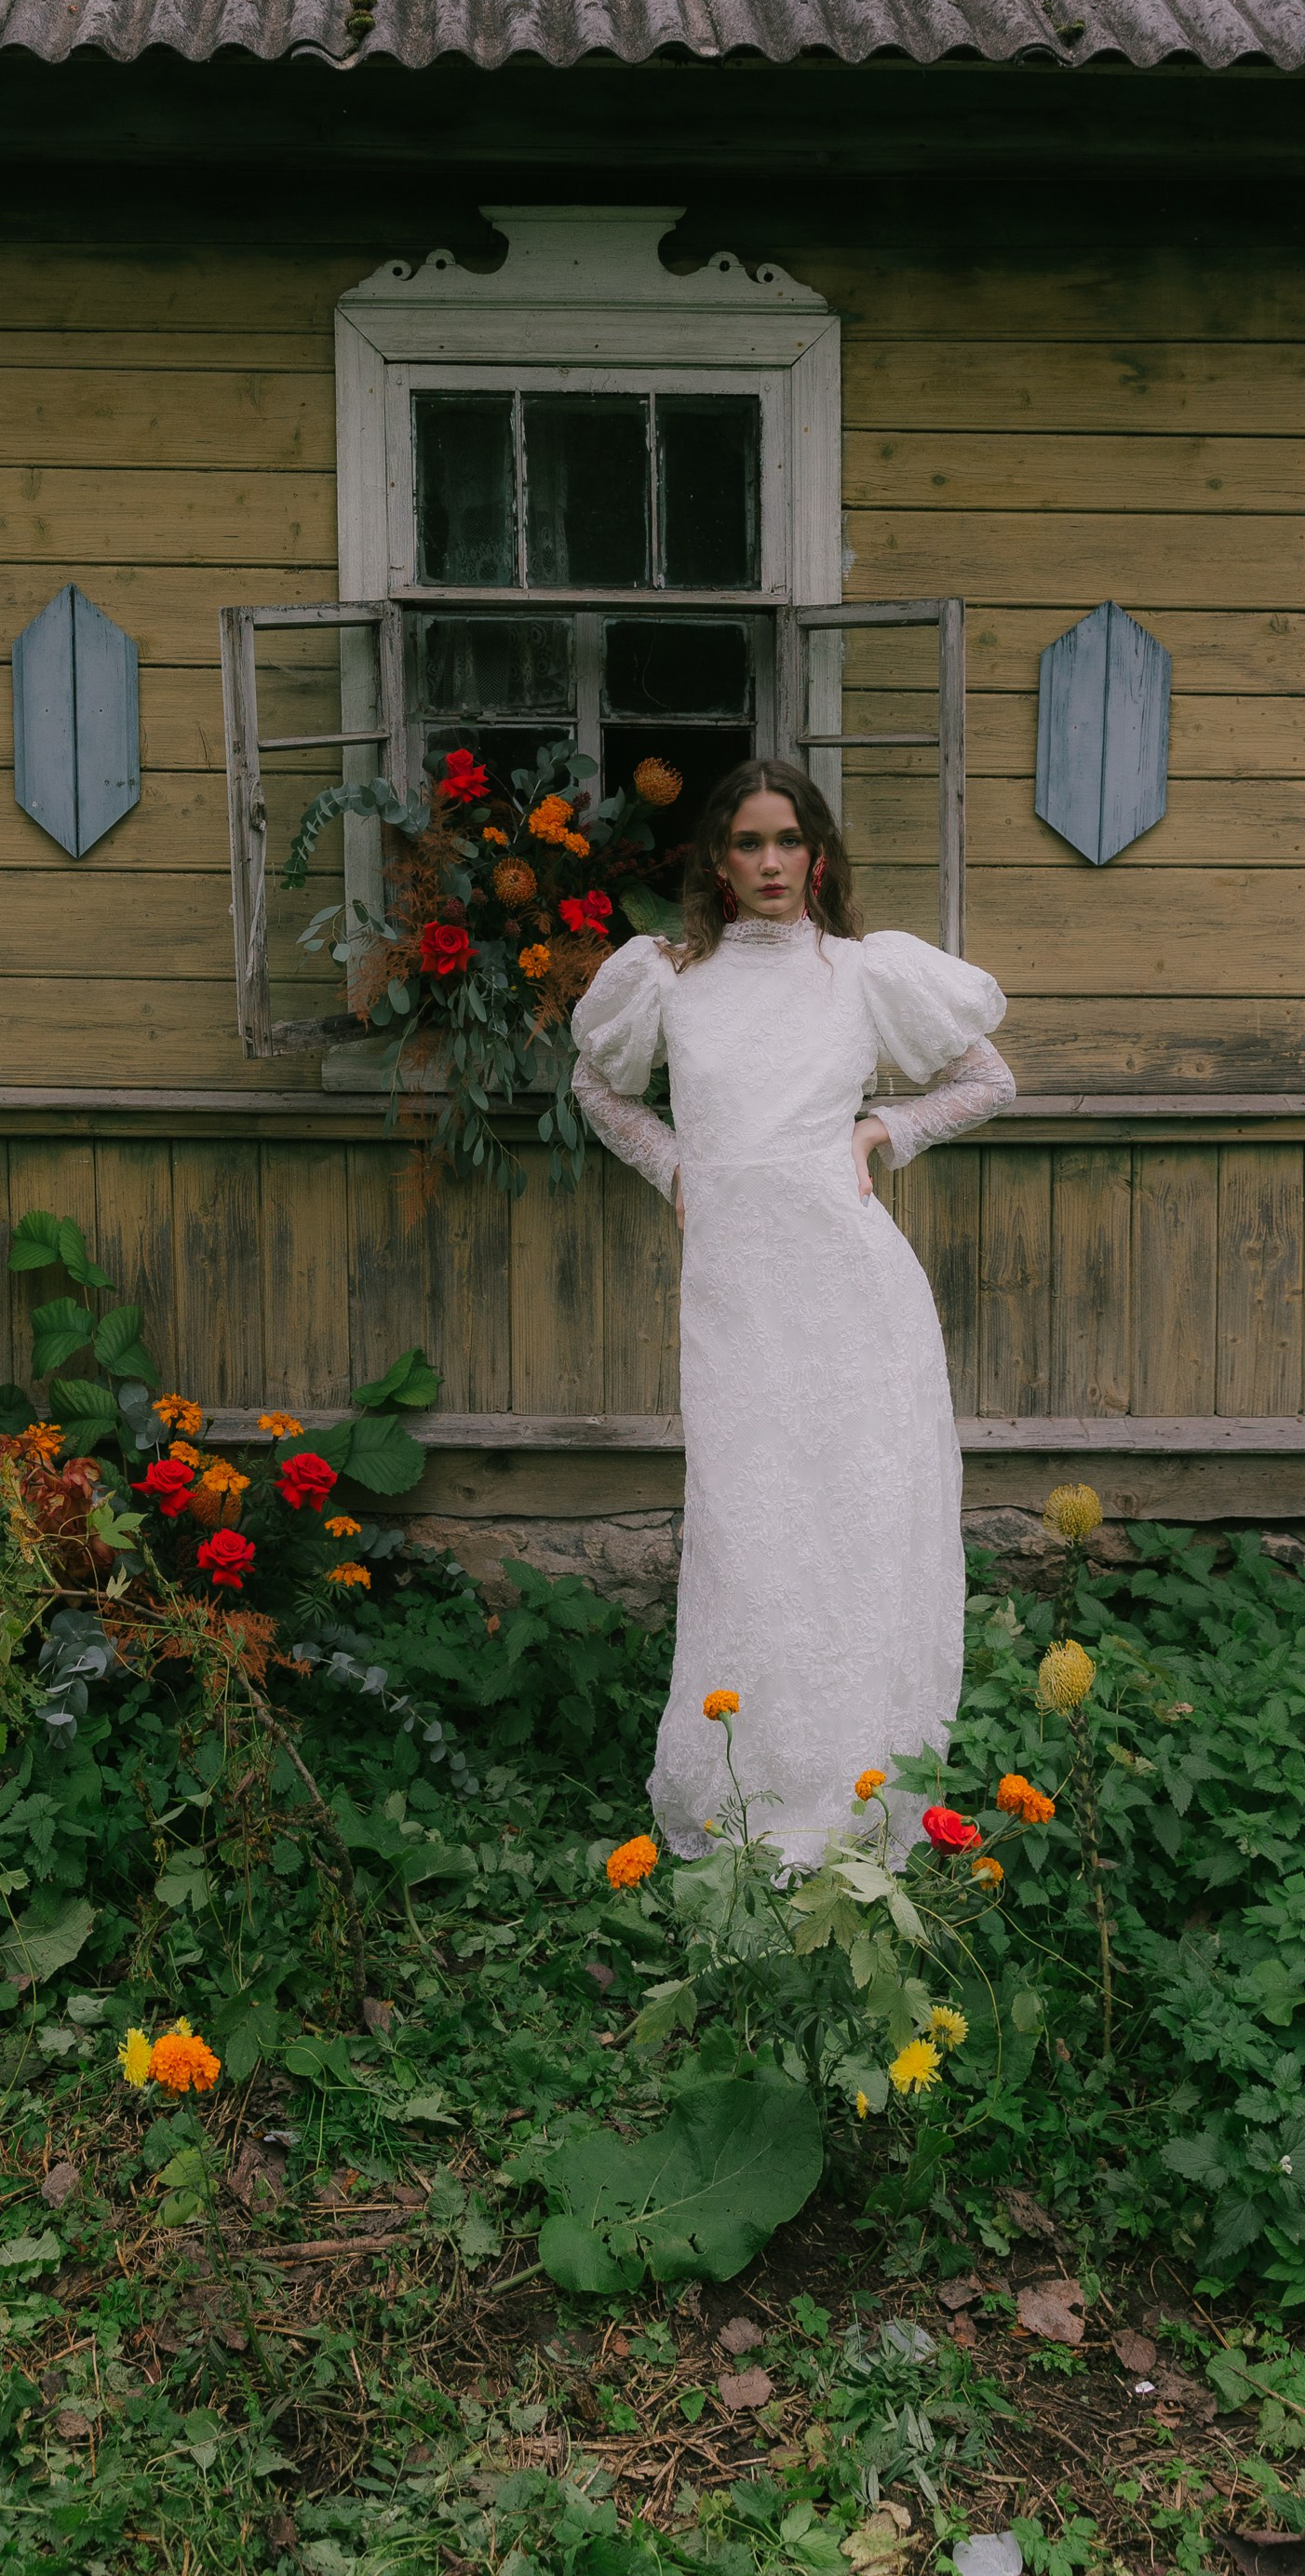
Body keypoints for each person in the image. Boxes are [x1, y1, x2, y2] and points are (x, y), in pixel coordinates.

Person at [569, 758, 1011, 1866]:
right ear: (717, 862)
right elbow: (596, 1086)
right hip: (736, 1294)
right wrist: (676, 1171)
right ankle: (749, 1795)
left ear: (818, 857)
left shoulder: (862, 973)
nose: (771, 862)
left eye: (789, 841)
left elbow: (985, 1078)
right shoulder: (671, 980)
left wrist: (884, 1133)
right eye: (749, 843)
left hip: (852, 1291)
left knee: (854, 1531)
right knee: (749, 1533)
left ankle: (858, 1795)